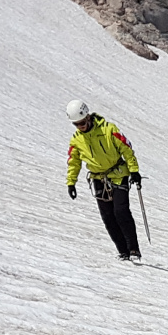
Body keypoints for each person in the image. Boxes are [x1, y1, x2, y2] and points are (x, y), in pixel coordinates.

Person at [64, 99, 144, 261]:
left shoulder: (109, 130)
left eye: (82, 123)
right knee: (108, 217)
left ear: (88, 117)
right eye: (76, 124)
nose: (80, 127)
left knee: (121, 211)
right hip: (98, 178)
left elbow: (126, 149)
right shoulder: (76, 140)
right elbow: (74, 162)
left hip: (118, 174)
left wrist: (134, 170)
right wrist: (71, 182)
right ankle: (123, 252)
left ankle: (133, 249)